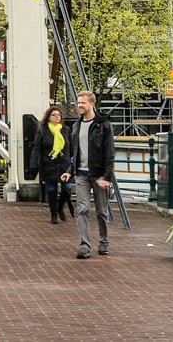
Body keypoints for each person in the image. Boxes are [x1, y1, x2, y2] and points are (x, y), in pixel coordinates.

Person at [61, 90, 115, 259]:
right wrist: (70, 171)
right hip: (81, 175)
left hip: (98, 175)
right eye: (78, 103)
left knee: (101, 211)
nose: (80, 106)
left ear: (92, 104)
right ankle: (84, 245)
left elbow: (109, 152)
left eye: (83, 103)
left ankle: (104, 242)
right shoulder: (76, 126)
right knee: (82, 209)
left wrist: (107, 177)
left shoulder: (104, 125)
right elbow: (75, 152)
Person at [27, 105, 71, 224]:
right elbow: (36, 148)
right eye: (54, 115)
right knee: (51, 188)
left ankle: (60, 207)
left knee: (67, 188)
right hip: (49, 164)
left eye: (59, 115)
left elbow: (71, 147)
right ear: (48, 117)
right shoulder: (42, 130)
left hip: (64, 164)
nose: (57, 117)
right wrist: (33, 164)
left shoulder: (65, 130)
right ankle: (54, 213)